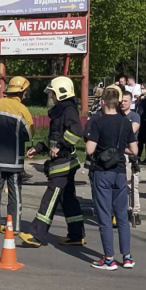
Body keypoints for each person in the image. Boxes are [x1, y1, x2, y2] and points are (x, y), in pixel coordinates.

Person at [20, 77, 85, 247]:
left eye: (53, 93)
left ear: (61, 93)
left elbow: (76, 131)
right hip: (65, 163)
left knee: (50, 198)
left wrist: (62, 146)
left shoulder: (68, 110)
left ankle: (37, 235)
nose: (51, 97)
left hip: (63, 164)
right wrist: (39, 147)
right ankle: (76, 235)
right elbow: (54, 138)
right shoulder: (61, 110)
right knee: (69, 199)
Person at [86, 87, 138, 270]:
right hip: (120, 172)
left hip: (103, 171)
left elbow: (90, 150)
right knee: (122, 216)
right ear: (118, 102)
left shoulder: (98, 123)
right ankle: (127, 257)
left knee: (105, 216)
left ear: (102, 102)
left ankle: (109, 258)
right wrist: (118, 150)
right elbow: (134, 150)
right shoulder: (126, 122)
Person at [0, 76, 34, 236]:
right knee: (15, 192)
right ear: (21, 92)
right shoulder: (23, 110)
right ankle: (15, 226)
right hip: (15, 160)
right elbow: (30, 135)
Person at [121, 91, 142, 225]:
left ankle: (135, 211)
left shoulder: (134, 116)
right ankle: (121, 210)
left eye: (125, 101)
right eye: (121, 101)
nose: (123, 103)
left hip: (130, 154)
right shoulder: (116, 114)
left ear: (131, 102)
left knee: (132, 185)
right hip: (119, 153)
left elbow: (130, 131)